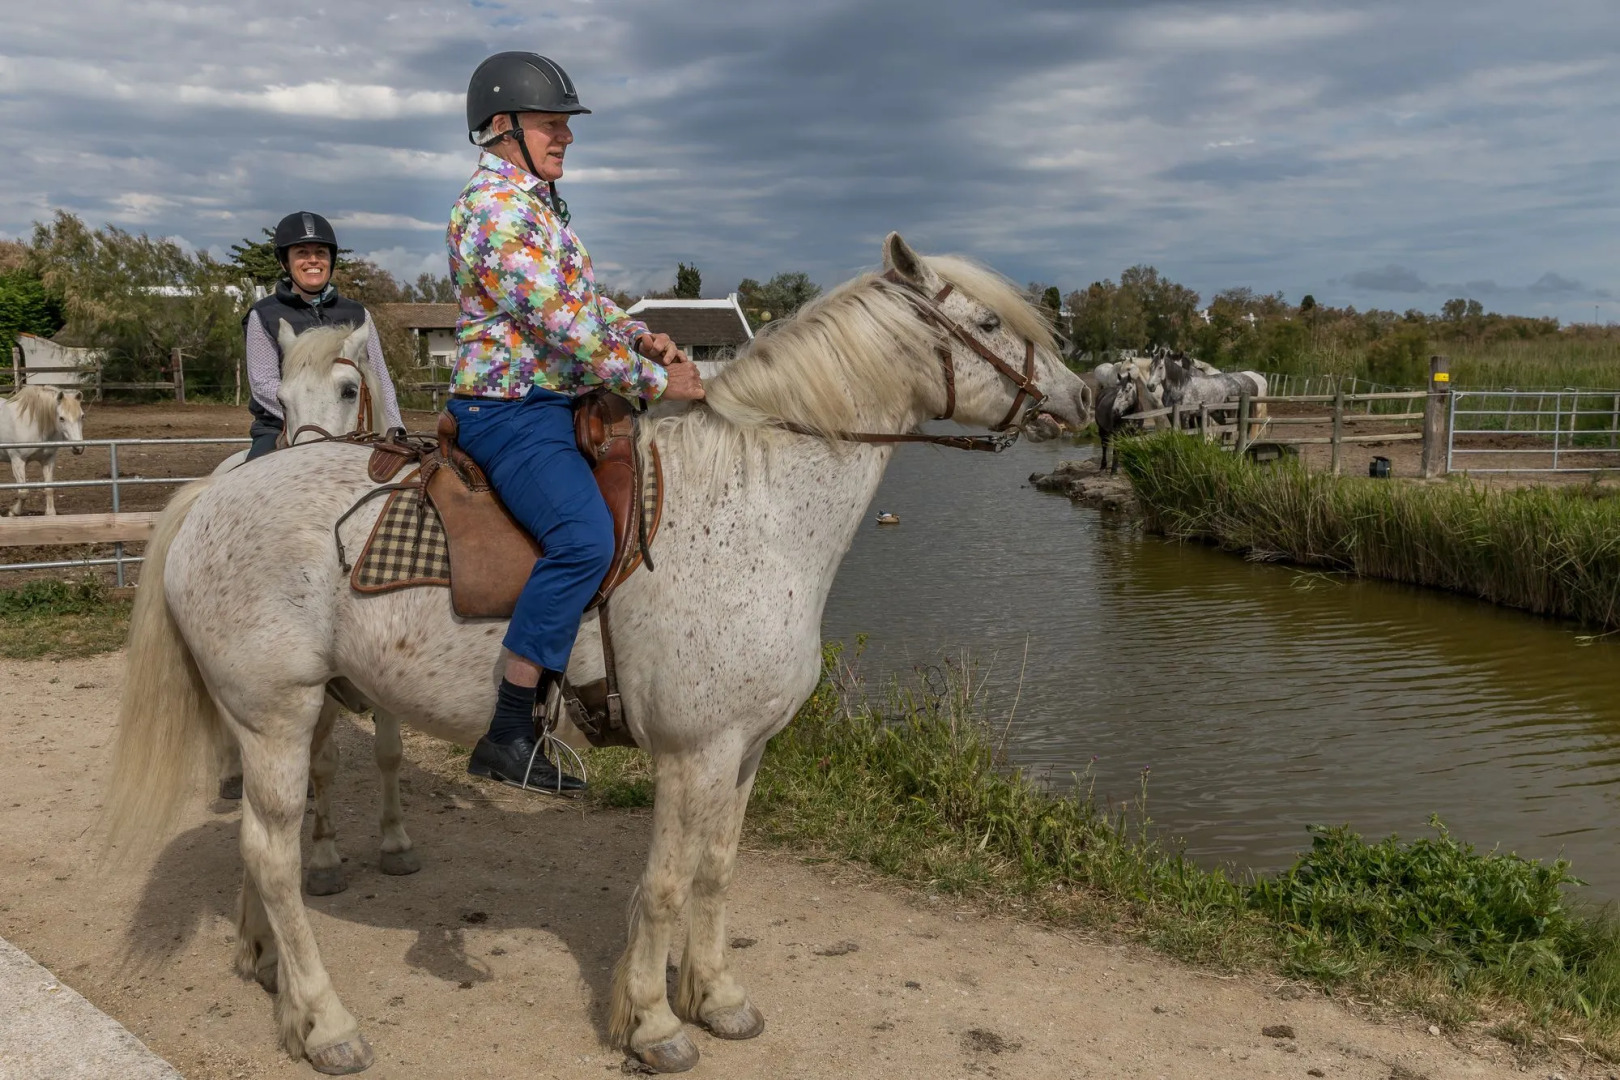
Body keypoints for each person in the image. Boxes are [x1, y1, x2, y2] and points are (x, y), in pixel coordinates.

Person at [448, 51, 705, 794]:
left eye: (566, 124)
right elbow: (558, 323)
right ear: (502, 128)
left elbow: (586, 310)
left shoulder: (539, 206)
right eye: (551, 124)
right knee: (584, 537)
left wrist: (637, 337)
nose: (566, 137)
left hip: (555, 400)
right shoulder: (494, 211)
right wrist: (660, 382)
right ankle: (508, 727)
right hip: (509, 413)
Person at [242, 211, 402, 460]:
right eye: (302, 253)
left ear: (331, 259)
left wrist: (396, 428)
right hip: (280, 426)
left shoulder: (358, 314)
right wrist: (310, 416)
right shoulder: (263, 315)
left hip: (354, 425)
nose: (313, 260)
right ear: (285, 261)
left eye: (321, 253)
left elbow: (381, 379)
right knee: (249, 486)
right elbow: (263, 384)